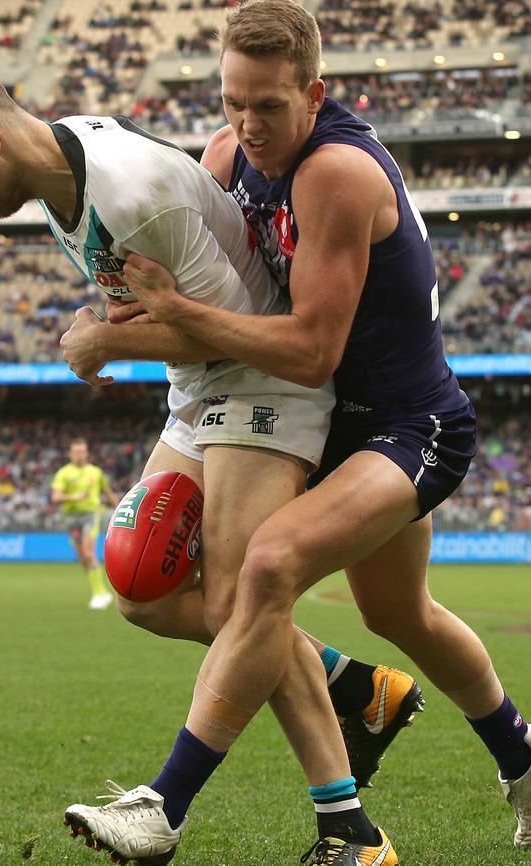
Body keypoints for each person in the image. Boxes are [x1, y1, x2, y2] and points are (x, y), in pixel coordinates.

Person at [0, 61, 406, 865]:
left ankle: (340, 827)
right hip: (198, 390)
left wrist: (105, 338)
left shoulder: (131, 193)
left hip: (262, 383)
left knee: (238, 606)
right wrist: (114, 319)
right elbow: (163, 305)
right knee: (140, 589)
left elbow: (227, 324)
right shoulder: (61, 168)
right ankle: (351, 685)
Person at [93, 0, 529, 855]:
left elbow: (310, 349)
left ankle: (164, 805)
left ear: (315, 92)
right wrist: (118, 316)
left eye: (270, 105)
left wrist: (162, 313)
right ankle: (358, 688)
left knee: (271, 568)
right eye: (232, 102)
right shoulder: (224, 157)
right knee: (390, 611)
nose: (247, 126)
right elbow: (214, 299)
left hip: (406, 427)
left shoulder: (338, 172)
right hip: (319, 425)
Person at [50, 437, 119, 610]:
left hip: (90, 514)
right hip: (71, 518)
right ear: (70, 454)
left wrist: (119, 509)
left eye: (82, 452)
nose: (79, 455)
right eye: (76, 452)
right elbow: (55, 497)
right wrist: (74, 497)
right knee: (83, 558)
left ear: (86, 453)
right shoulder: (64, 473)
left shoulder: (96, 472)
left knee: (89, 553)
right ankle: (101, 593)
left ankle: (100, 594)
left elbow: (108, 492)